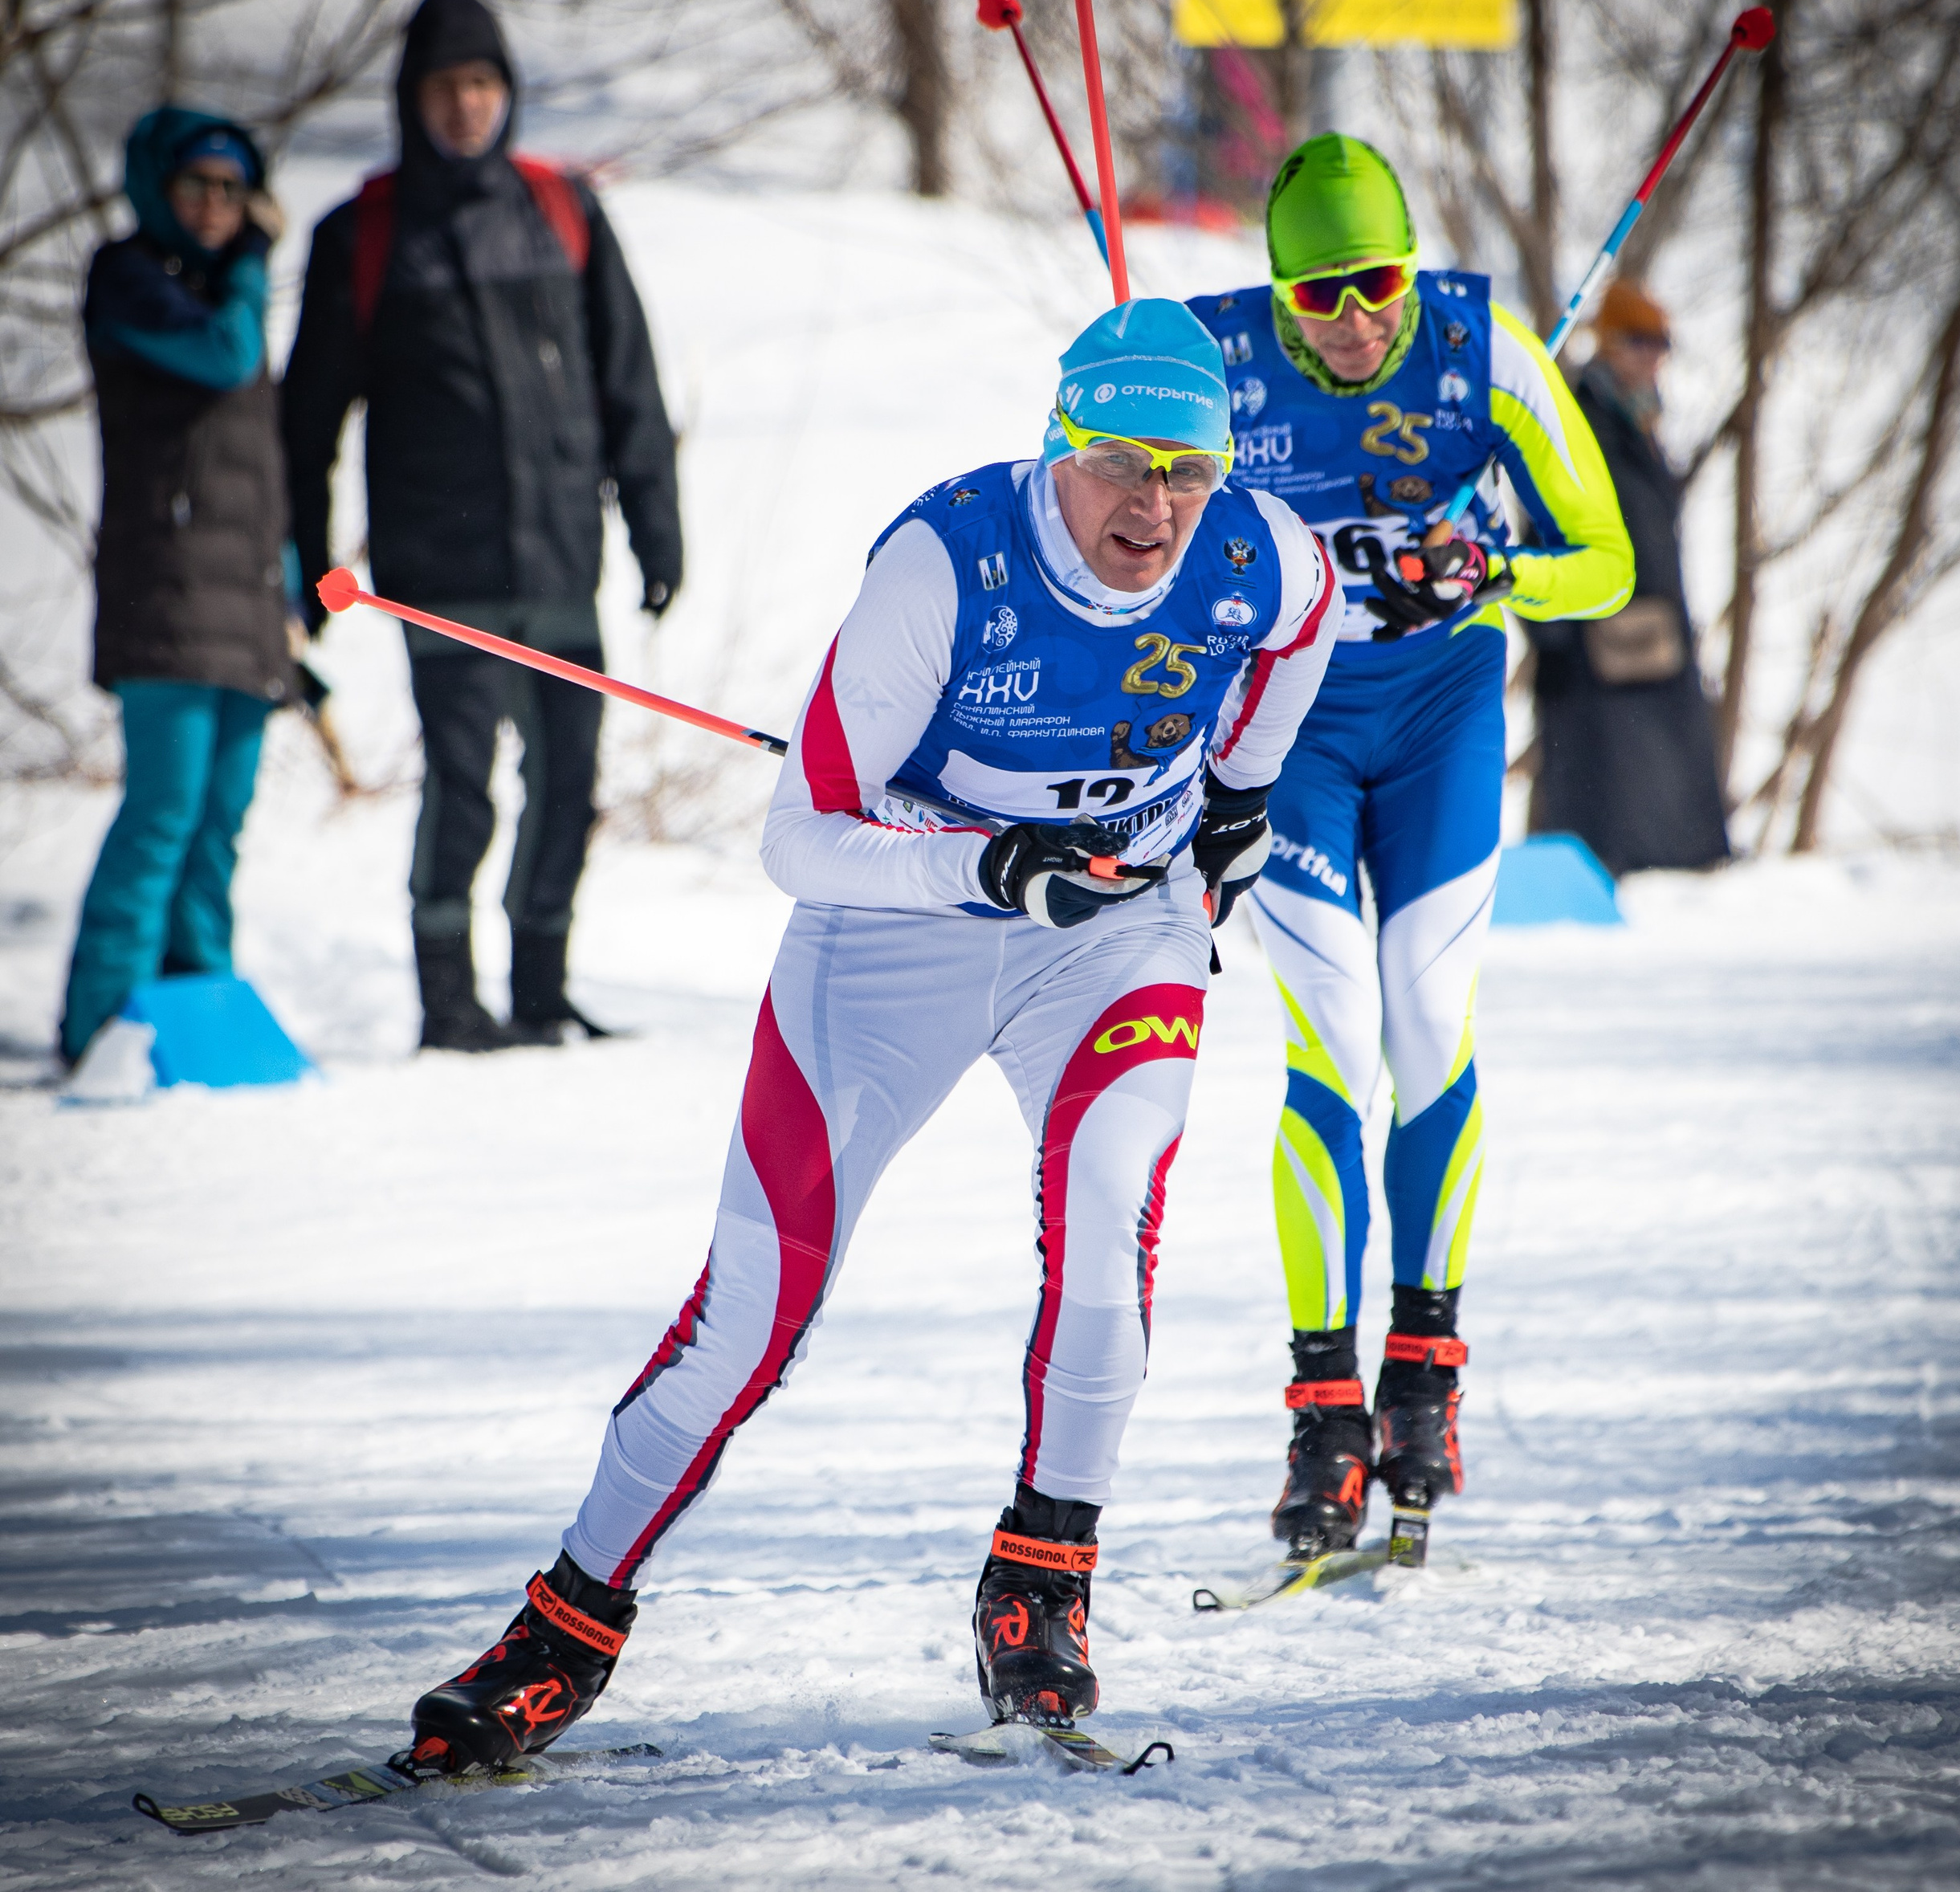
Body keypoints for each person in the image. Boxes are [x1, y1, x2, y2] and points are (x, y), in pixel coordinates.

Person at [401, 298, 1339, 1772]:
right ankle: (560, 1628)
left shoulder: (1259, 552)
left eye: (1188, 469)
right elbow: (800, 839)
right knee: (754, 1312)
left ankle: (1043, 1579)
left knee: (1110, 1225)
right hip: (894, 930)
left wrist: (1239, 794)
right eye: (1118, 465)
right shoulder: (942, 567)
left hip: (1115, 937)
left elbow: (1302, 627)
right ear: (1057, 447)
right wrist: (988, 866)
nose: (1152, 508)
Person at [1186, 135, 1633, 1566]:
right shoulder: (1208, 363)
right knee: (1334, 1042)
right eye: (1320, 295)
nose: (1358, 319)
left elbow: (1608, 562)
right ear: (1278, 292)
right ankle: (1324, 1407)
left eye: (1377, 282)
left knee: (1429, 1021)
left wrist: (1493, 565)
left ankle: (1422, 1373)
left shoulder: (1479, 348)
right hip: (1294, 734)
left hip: (1440, 716)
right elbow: (1117, 517)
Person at [283, 0, 683, 1052]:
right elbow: (307, 419)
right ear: (410, 100)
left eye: (482, 84)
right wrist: (305, 560)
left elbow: (627, 380)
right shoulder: (362, 236)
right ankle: (451, 1003)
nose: (465, 107)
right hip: (441, 570)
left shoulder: (563, 211)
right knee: (464, 790)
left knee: (567, 785)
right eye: (444, 87)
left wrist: (656, 521)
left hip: (562, 558)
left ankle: (543, 991)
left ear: (506, 94)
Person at [59, 108, 293, 1069]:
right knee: (162, 810)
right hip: (165, 594)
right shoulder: (131, 278)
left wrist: (285, 595)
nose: (211, 207)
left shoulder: (221, 290)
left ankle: (194, 1009)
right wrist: (250, 264)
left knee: (220, 817)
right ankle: (99, 1020)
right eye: (195, 186)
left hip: (242, 597)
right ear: (158, 187)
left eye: (231, 191)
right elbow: (223, 356)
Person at [1527, 279, 1730, 874]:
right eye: (1639, 342)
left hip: (1651, 632)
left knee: (1663, 788)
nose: (1653, 356)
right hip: (1591, 639)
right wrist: (1554, 637)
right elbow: (1541, 516)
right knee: (1603, 790)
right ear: (1609, 343)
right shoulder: (1581, 415)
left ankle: (1680, 871)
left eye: (1661, 343)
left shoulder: (1636, 416)